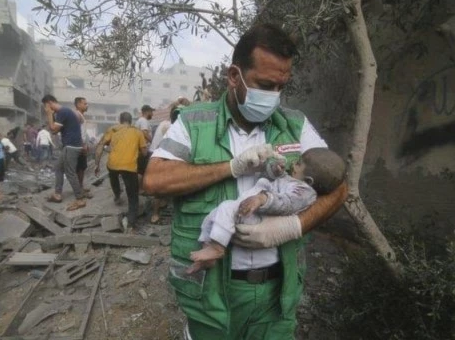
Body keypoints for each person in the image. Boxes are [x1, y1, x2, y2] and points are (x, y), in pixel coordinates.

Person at [144, 23, 348, 339]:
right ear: (233, 76)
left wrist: (293, 227)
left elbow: (338, 185)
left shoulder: (295, 125)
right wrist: (233, 167)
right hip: (210, 292)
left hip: (276, 295)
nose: (273, 97)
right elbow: (155, 181)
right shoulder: (194, 122)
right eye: (265, 85)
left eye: (281, 87)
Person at [190, 148, 346, 273]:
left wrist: (262, 199)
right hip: (250, 207)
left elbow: (286, 203)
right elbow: (274, 180)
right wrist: (276, 170)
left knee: (225, 209)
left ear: (309, 180)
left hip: (258, 216)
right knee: (213, 216)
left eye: (298, 164)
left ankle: (217, 248)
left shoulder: (303, 192)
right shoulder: (294, 181)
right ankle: (208, 251)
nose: (293, 165)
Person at [94, 112, 147, 228]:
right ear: (131, 121)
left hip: (112, 163)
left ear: (120, 120)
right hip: (129, 166)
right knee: (133, 196)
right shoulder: (138, 131)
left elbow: (100, 146)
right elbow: (144, 152)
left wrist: (96, 165)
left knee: (113, 174)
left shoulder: (113, 129)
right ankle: (131, 224)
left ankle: (117, 194)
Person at [42, 94, 86, 211]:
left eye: (45, 106)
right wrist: (52, 117)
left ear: (49, 103)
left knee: (70, 172)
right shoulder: (63, 112)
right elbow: (55, 132)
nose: (45, 109)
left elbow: (52, 129)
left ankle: (80, 199)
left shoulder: (62, 112)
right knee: (58, 168)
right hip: (71, 146)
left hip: (71, 146)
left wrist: (49, 114)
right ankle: (57, 194)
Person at [149, 99, 189, 224]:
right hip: (161, 158)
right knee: (164, 186)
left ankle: (162, 206)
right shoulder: (171, 127)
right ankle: (156, 214)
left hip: (156, 156)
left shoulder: (164, 123)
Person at [74, 97, 94, 199]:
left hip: (82, 144)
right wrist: (82, 145)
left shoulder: (81, 116)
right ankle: (79, 189)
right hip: (79, 145)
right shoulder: (77, 115)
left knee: (81, 167)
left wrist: (87, 143)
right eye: (85, 104)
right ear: (78, 105)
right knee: (80, 168)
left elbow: (83, 132)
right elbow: (77, 132)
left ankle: (80, 187)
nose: (87, 105)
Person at [134, 104, 154, 178]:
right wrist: (153, 141)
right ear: (147, 112)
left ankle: (140, 187)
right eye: (151, 112)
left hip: (140, 150)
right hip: (143, 150)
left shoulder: (140, 120)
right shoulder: (143, 121)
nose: (152, 114)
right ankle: (140, 187)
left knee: (140, 171)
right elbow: (144, 133)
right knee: (143, 171)